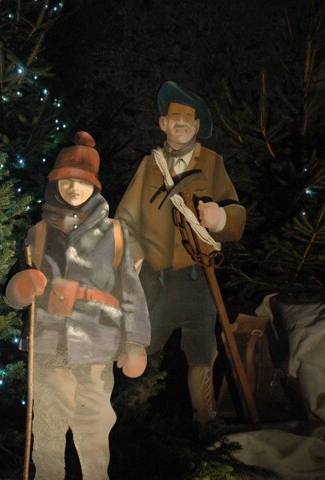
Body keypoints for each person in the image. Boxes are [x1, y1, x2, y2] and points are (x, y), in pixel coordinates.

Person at [5, 131, 150, 479]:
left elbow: (130, 289)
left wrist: (135, 340)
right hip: (49, 342)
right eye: (66, 180)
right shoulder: (38, 233)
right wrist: (19, 286)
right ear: (56, 183)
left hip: (97, 344)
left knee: (94, 424)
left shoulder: (115, 233)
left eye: (81, 182)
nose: (73, 188)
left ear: (94, 187)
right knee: (50, 426)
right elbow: (16, 283)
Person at [115, 81, 246, 423]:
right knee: (141, 350)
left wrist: (220, 219)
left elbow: (237, 216)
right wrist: (137, 253)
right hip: (156, 279)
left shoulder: (213, 163)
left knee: (203, 353)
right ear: (163, 124)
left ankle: (206, 427)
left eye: (189, 118)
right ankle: (135, 425)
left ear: (198, 126)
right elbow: (124, 219)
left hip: (198, 278)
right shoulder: (149, 167)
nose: (182, 123)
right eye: (175, 117)